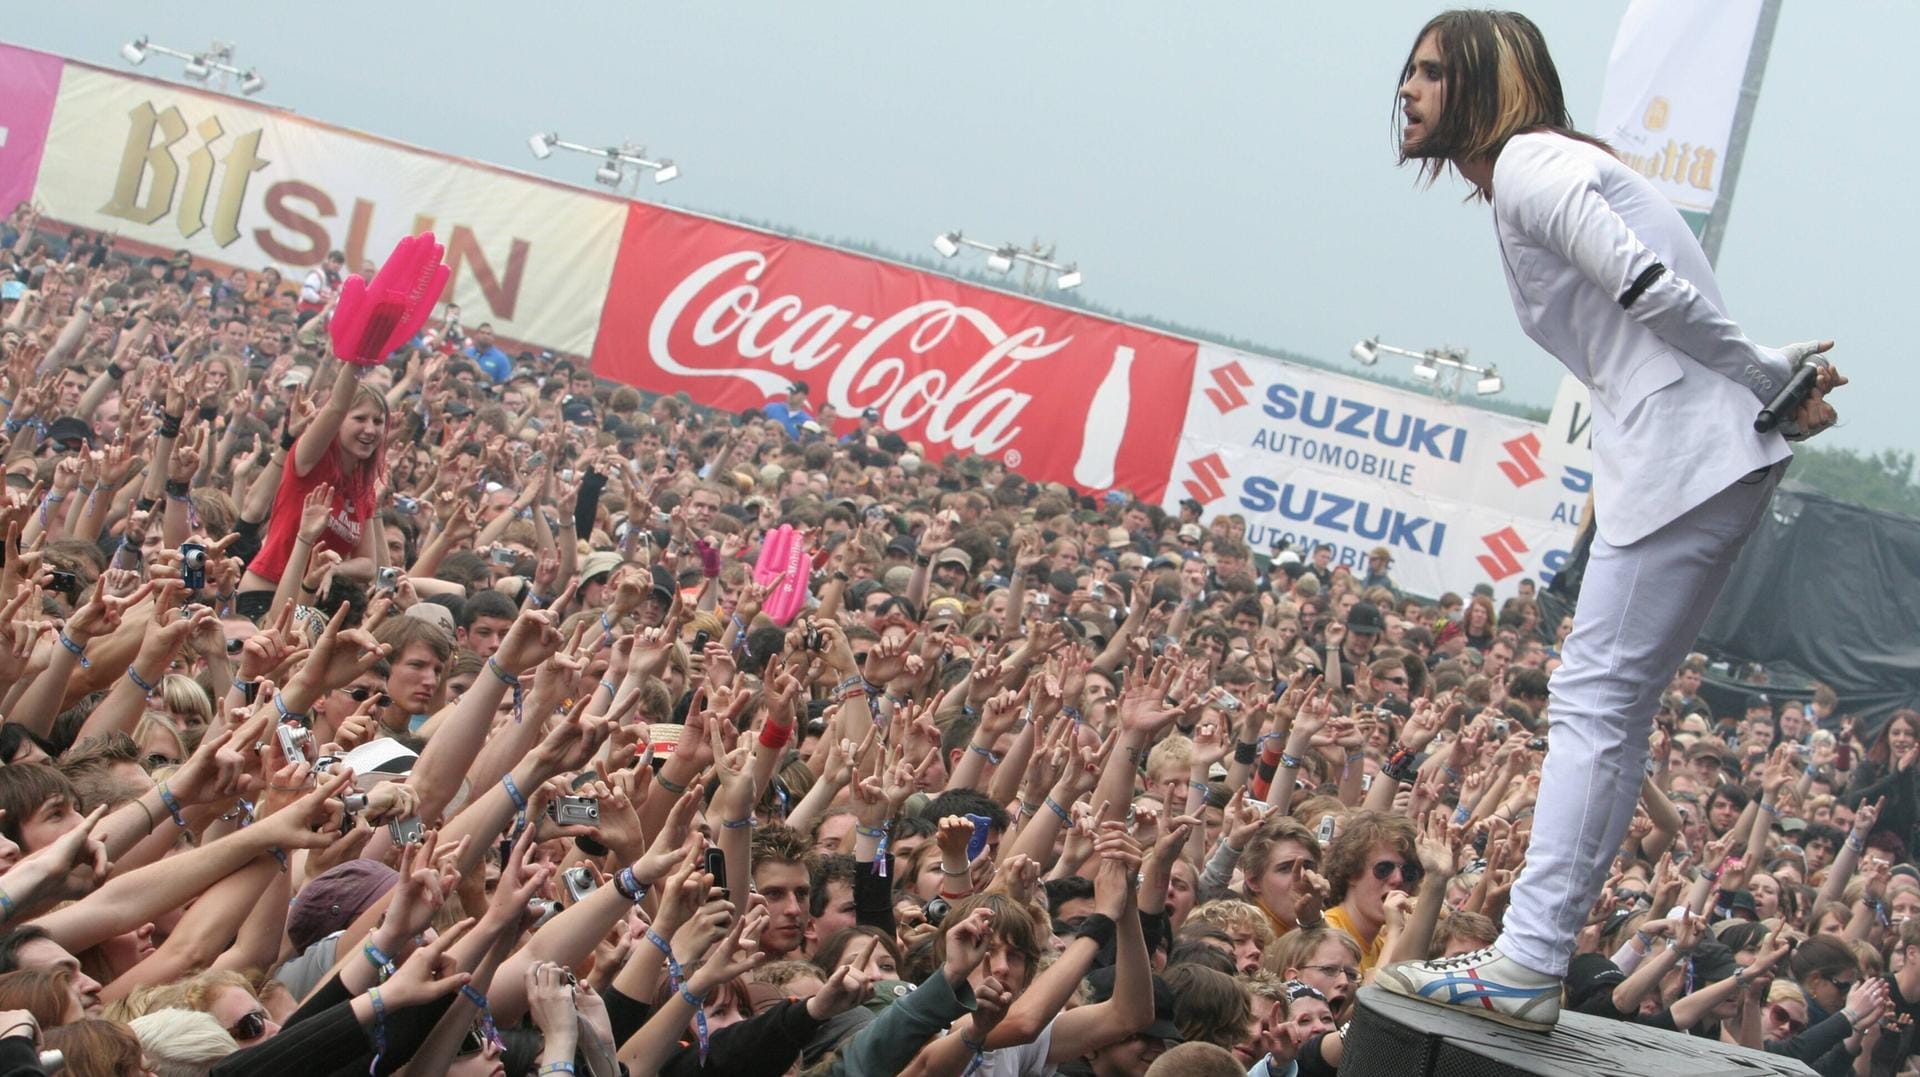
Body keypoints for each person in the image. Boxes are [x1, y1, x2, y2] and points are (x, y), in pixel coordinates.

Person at [1374, 9, 1846, 1031]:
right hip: (1696, 449)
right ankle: (1535, 955)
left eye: (1426, 72)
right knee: (1613, 705)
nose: (1405, 90)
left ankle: (1531, 959)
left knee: (1595, 701)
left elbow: (1645, 285)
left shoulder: (1536, 171)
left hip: (1681, 454)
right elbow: (1654, 300)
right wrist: (1762, 374)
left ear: (1483, 82)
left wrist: (1763, 373)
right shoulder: (1542, 173)